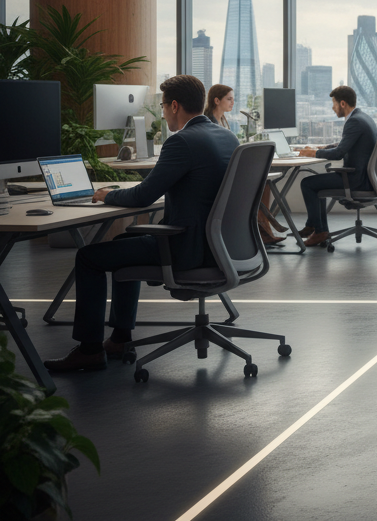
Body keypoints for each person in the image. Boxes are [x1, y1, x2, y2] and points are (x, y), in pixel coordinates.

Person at [43, 75, 240, 372]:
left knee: (88, 258)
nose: (162, 112)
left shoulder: (182, 141)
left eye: (162, 106)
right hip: (222, 247)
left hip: (186, 250)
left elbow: (143, 196)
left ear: (174, 105)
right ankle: (120, 337)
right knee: (123, 244)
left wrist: (107, 195)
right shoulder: (227, 137)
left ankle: (90, 349)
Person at [296, 86, 377, 248]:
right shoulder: (362, 117)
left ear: (342, 103)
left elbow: (339, 153)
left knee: (308, 184)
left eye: (333, 104)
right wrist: (319, 149)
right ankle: (314, 227)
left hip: (355, 179)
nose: (332, 108)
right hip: (365, 176)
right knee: (315, 184)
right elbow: (343, 145)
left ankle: (318, 230)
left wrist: (312, 154)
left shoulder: (354, 121)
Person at [206, 83, 285, 245]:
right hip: (220, 172)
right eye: (229, 99)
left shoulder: (223, 121)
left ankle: (264, 228)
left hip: (228, 168)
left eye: (233, 99)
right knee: (262, 182)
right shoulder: (209, 122)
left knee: (265, 182)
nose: (232, 103)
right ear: (216, 100)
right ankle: (264, 229)